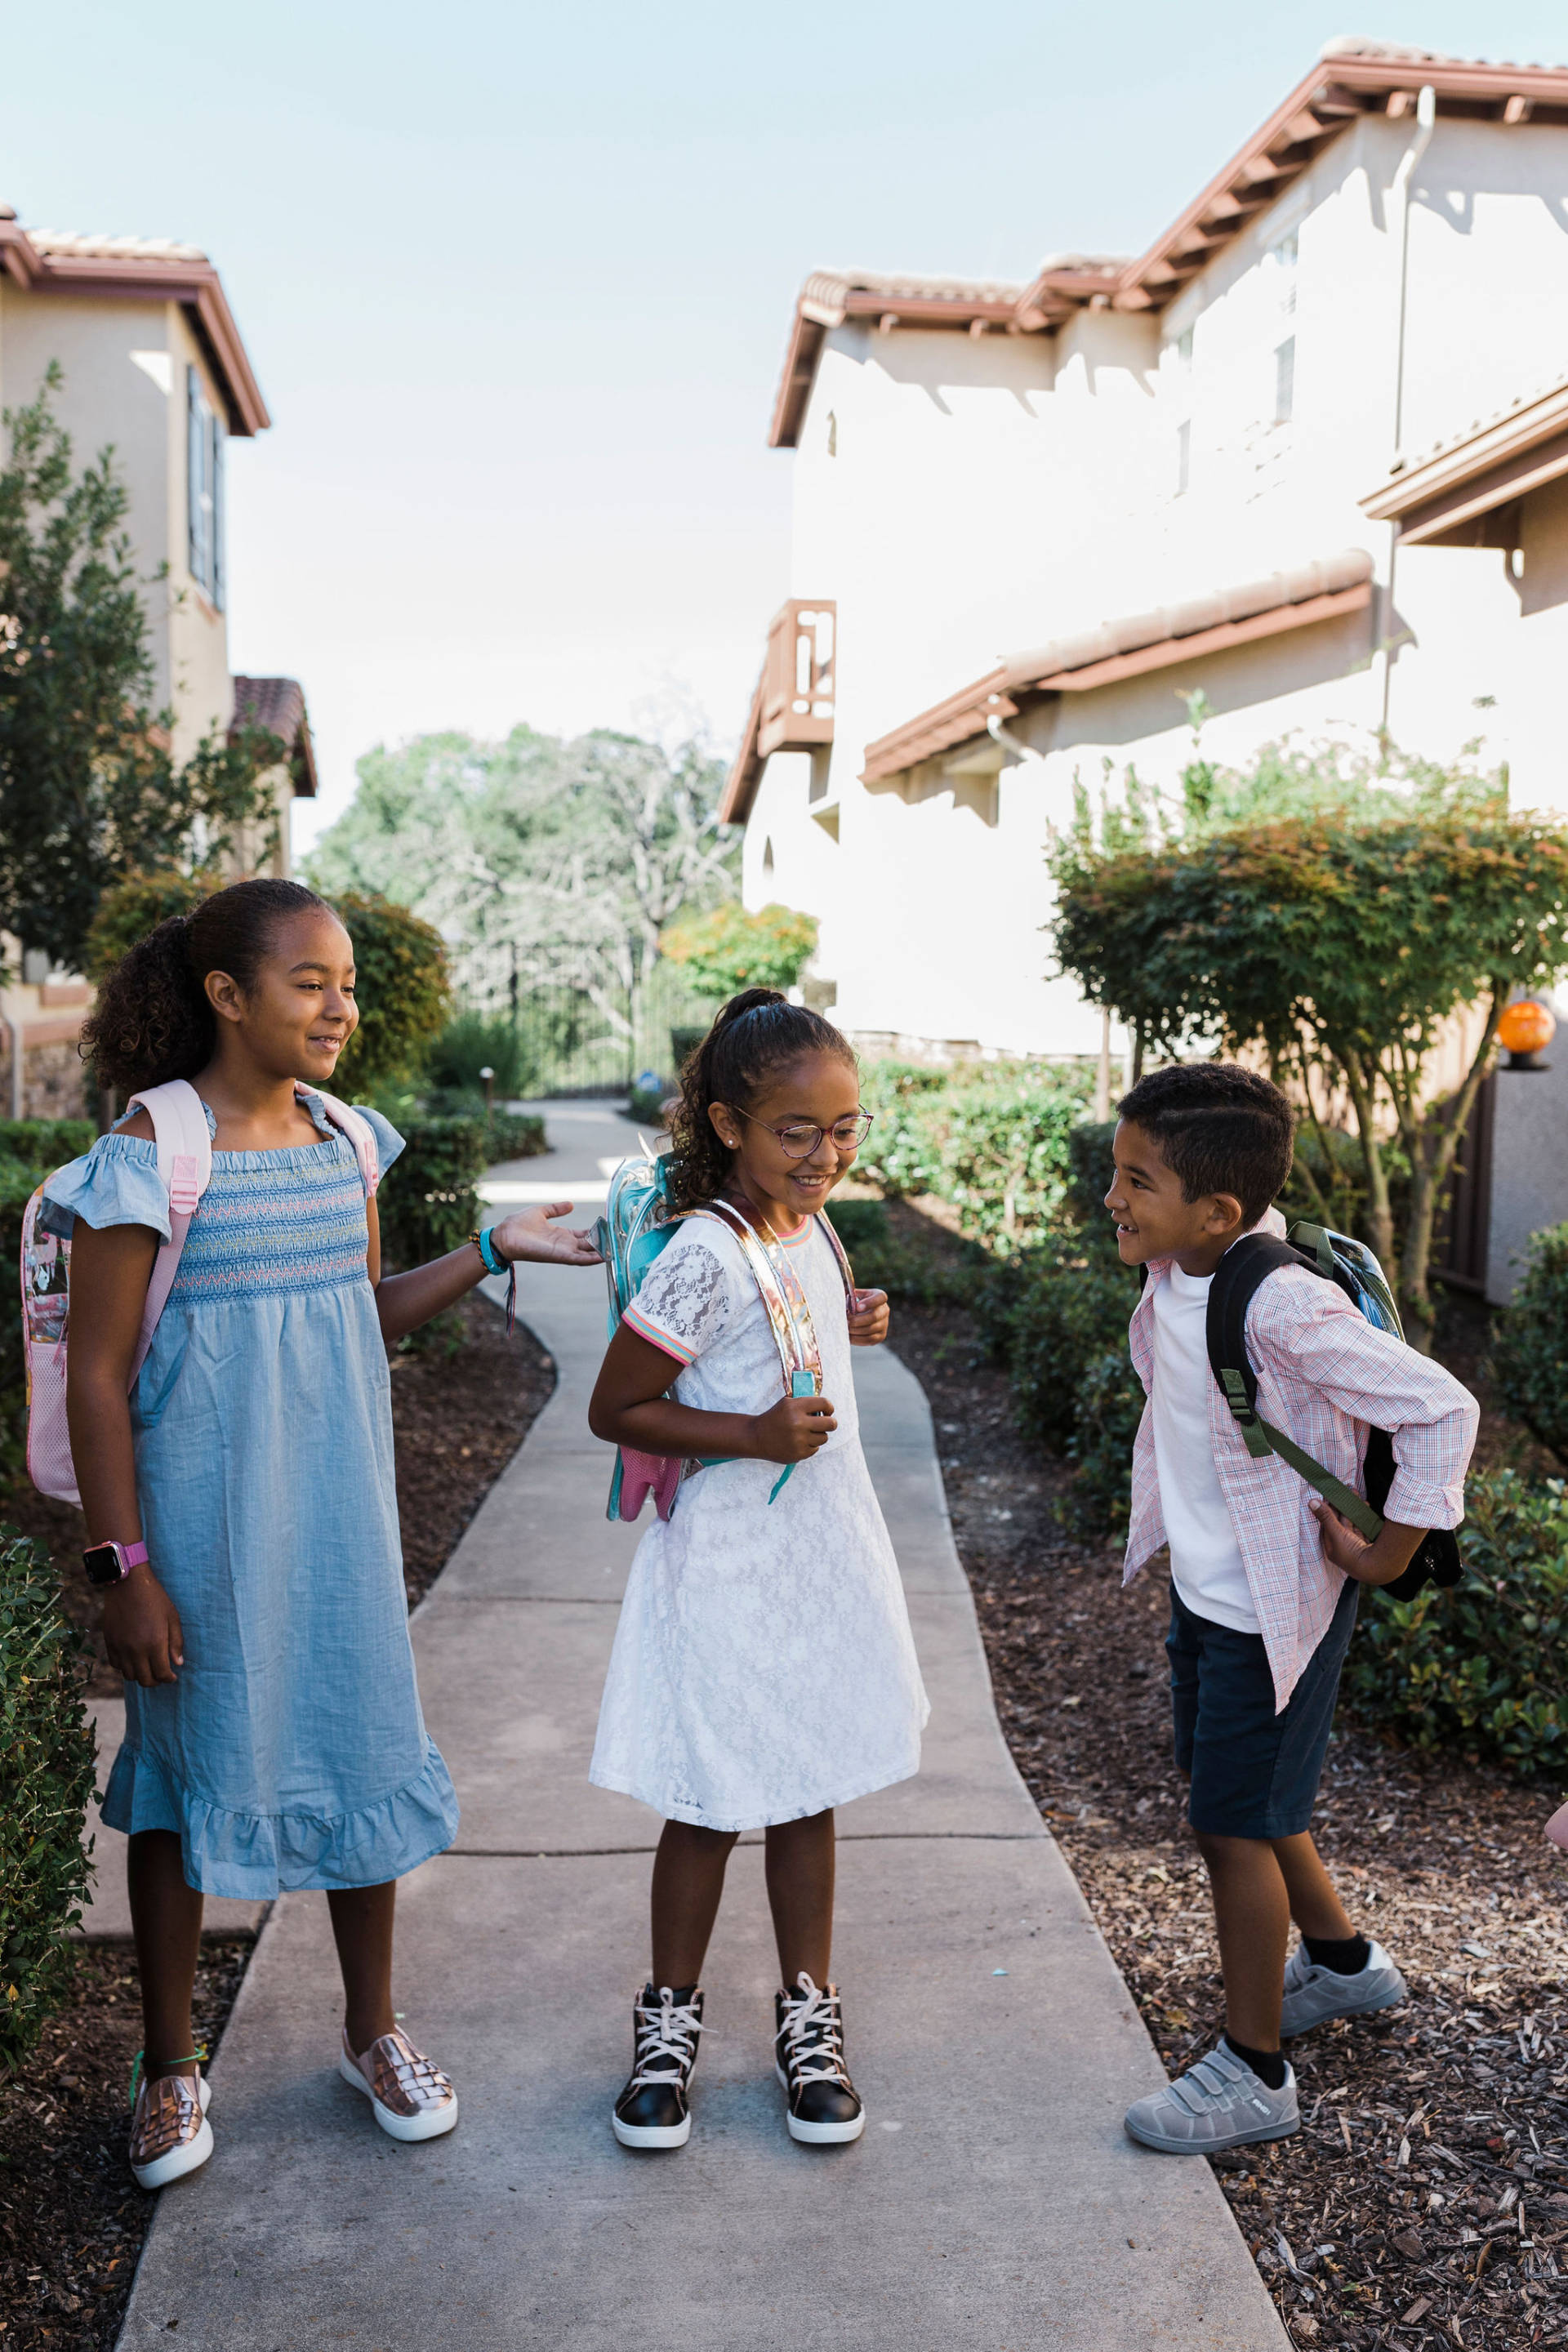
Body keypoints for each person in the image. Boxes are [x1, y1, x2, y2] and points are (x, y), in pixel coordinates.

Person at [55, 879, 600, 2192]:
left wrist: (486, 1248)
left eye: (347, 982)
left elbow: (357, 1308)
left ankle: (374, 2032)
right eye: (312, 982)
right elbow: (96, 1376)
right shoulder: (150, 1152)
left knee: (361, 1750)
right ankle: (172, 2061)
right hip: (195, 1532)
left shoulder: (349, 1140)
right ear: (226, 997)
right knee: (182, 1785)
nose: (341, 1005)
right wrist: (122, 1569)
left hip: (340, 1519)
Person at [1106, 1063, 1477, 2155]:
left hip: (1277, 1610)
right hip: (1213, 1592)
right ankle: (1348, 1966)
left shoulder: (1277, 1300)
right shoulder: (1180, 1264)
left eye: (1136, 1182)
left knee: (1231, 1825)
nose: (1113, 1201)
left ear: (1218, 1212)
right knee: (1253, 1802)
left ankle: (1254, 2074)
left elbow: (1443, 1406)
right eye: (1115, 1175)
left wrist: (1383, 1556)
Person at [586, 990, 929, 2150]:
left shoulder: (811, 1227)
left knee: (806, 1781)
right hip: (729, 1565)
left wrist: (856, 1315)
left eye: (844, 1131)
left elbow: (796, 1336)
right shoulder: (702, 1249)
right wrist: (748, 1435)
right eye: (797, 1131)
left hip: (818, 1555)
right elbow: (615, 1404)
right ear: (730, 1124)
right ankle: (669, 2020)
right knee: (709, 1795)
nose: (825, 1154)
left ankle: (808, 2013)